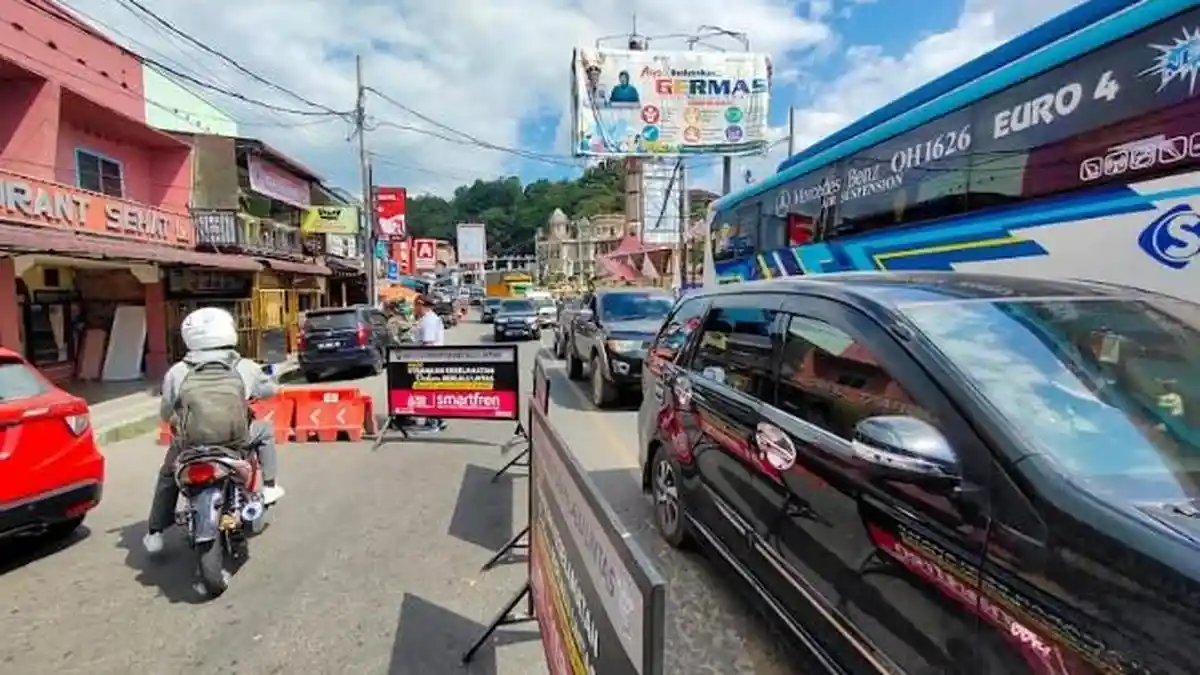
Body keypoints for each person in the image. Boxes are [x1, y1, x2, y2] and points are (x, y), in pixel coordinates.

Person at [143, 307, 285, 555]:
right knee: (264, 431)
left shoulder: (177, 371)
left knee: (168, 474)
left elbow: (166, 413)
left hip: (191, 443)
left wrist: (180, 421)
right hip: (235, 440)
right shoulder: (245, 366)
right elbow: (271, 390)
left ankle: (155, 532)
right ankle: (270, 487)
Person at [412, 295, 447, 431]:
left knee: (430, 391)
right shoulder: (426, 319)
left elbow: (428, 343)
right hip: (430, 359)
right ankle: (436, 420)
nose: (414, 308)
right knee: (430, 392)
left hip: (429, 360)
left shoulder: (429, 320)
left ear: (421, 305)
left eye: (415, 306)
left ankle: (434, 422)